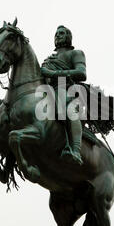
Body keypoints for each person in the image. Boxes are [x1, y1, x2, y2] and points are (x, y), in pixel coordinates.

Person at [40, 25, 86, 166]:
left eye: (61, 33)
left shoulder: (76, 53)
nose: (58, 36)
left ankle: (76, 151)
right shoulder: (48, 60)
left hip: (68, 89)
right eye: (56, 34)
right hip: (47, 90)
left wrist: (54, 74)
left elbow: (81, 73)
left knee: (70, 110)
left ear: (68, 37)